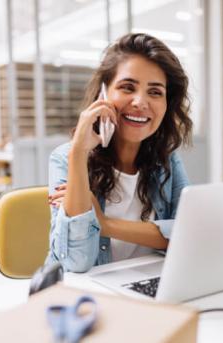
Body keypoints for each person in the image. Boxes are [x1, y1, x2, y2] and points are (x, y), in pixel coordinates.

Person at [45, 33, 193, 272]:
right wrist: (78, 153)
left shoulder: (166, 160)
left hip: (147, 285)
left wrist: (104, 224)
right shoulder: (66, 158)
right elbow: (75, 262)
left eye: (155, 92)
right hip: (90, 295)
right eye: (127, 87)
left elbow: (188, 236)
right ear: (103, 95)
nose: (140, 102)